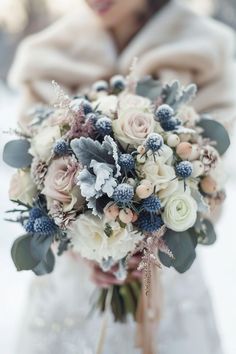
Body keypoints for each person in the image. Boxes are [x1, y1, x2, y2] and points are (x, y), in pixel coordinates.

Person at [8, 0, 236, 353]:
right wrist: (83, 247)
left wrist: (154, 237)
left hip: (165, 277)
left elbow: (213, 174)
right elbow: (34, 173)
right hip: (73, 282)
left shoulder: (204, 48)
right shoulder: (47, 54)